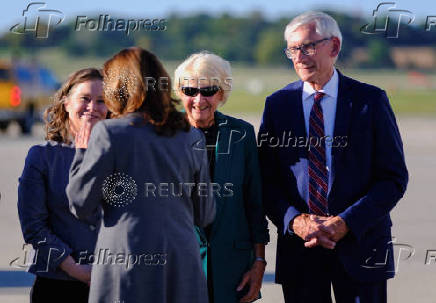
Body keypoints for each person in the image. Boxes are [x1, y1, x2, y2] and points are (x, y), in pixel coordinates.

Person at [258, 11, 408, 303]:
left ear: (335, 47)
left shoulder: (370, 101)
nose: (299, 57)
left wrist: (346, 222)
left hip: (362, 247)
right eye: (292, 49)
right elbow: (265, 179)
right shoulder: (278, 105)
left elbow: (393, 178)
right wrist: (295, 221)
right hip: (301, 250)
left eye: (308, 46)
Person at [66, 47, 215, 303]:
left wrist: (82, 152)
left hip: (127, 260)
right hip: (182, 264)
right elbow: (206, 213)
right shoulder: (192, 136)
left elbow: (80, 203)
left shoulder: (110, 133)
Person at [174, 51, 269, 303]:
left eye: (208, 90)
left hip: (233, 271)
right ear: (179, 92)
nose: (198, 99)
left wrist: (259, 263)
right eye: (190, 91)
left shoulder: (241, 134)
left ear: (222, 93)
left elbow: (254, 204)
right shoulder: (163, 136)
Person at [17, 68, 108, 302]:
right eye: (85, 99)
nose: (92, 107)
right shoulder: (41, 157)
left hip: (111, 284)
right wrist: (76, 269)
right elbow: (34, 227)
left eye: (101, 101)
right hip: (56, 286)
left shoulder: (122, 158)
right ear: (66, 103)